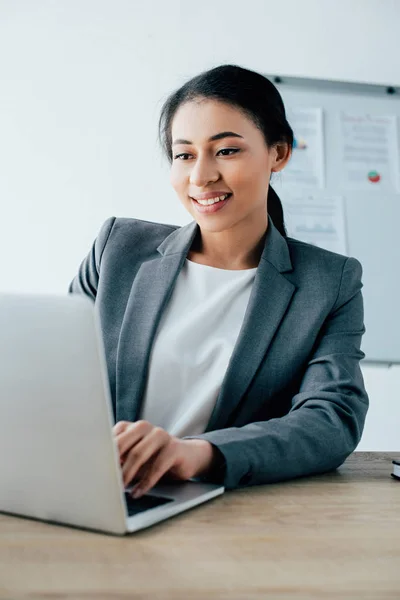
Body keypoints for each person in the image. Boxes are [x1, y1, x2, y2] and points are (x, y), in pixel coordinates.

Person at [69, 64, 369, 499]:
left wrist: (196, 453)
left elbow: (331, 419)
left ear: (279, 153)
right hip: (93, 496)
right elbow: (55, 379)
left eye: (226, 151)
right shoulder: (117, 249)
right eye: (184, 154)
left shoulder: (328, 282)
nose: (201, 176)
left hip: (221, 513)